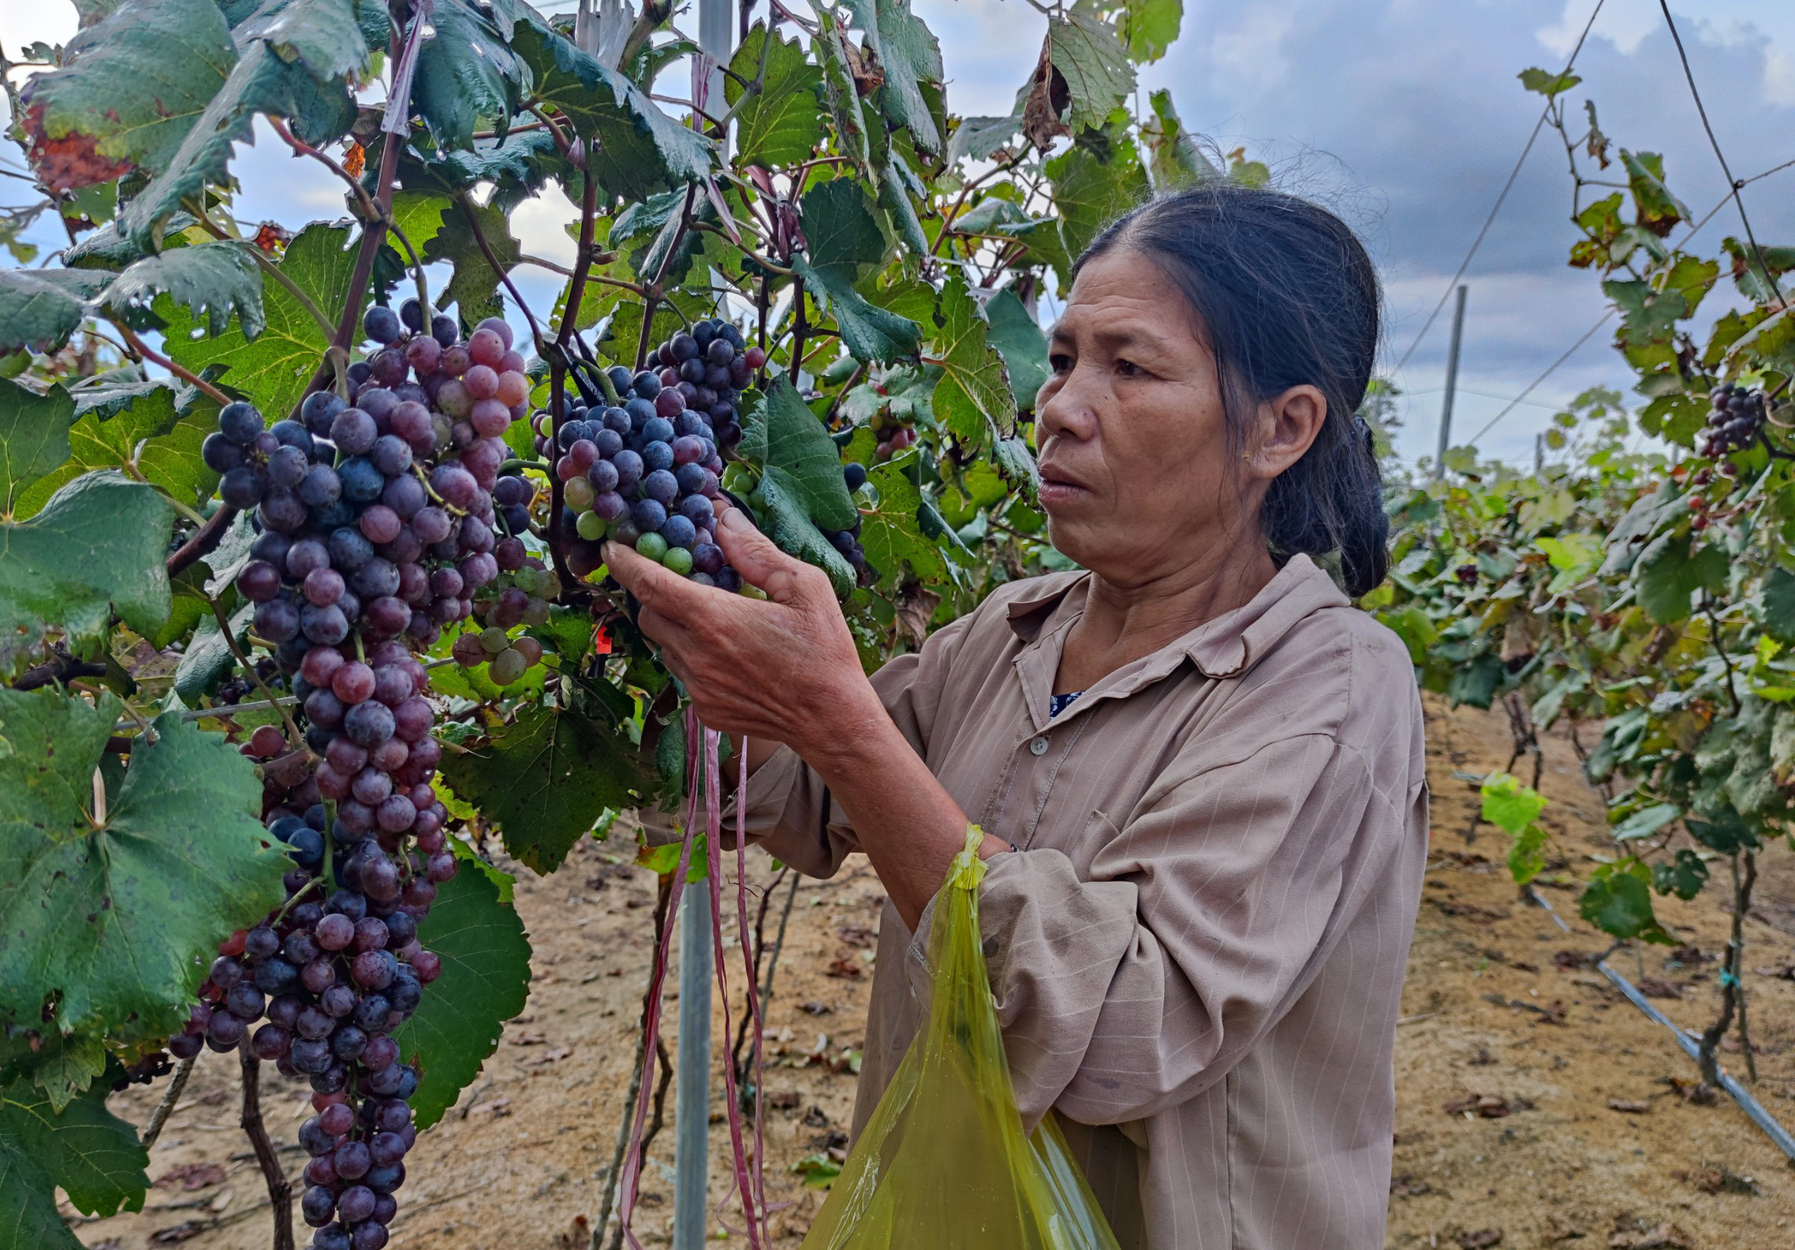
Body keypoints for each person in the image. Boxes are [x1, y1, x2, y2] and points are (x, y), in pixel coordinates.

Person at [605, 182, 1428, 1250]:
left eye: (1127, 367)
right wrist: (664, 619)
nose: (1060, 407)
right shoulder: (1010, 631)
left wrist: (837, 716)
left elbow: (1123, 1029)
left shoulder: (1329, 692)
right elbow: (799, 790)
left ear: (1280, 427)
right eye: (1060, 359)